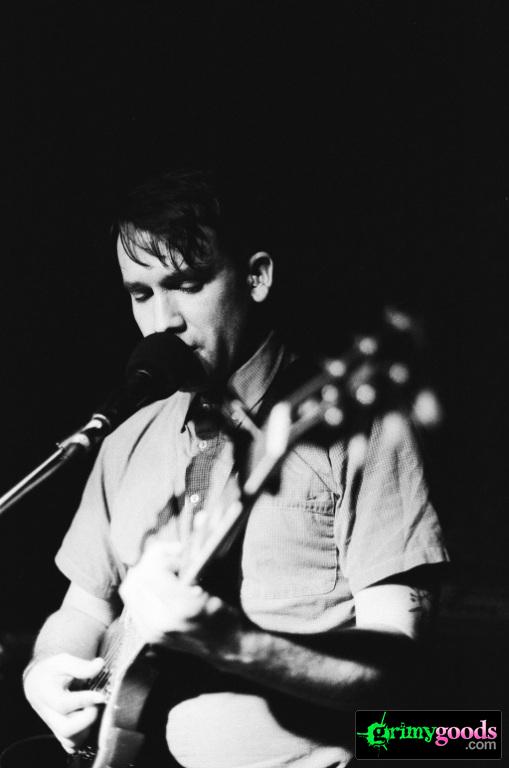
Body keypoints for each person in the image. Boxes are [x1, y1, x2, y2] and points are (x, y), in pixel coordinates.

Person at [22, 169, 449, 768]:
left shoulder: (358, 427)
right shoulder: (126, 442)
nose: (163, 320)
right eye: (141, 294)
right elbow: (83, 610)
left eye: (187, 284)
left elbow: (401, 663)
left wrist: (234, 644)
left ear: (256, 277)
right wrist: (42, 674)